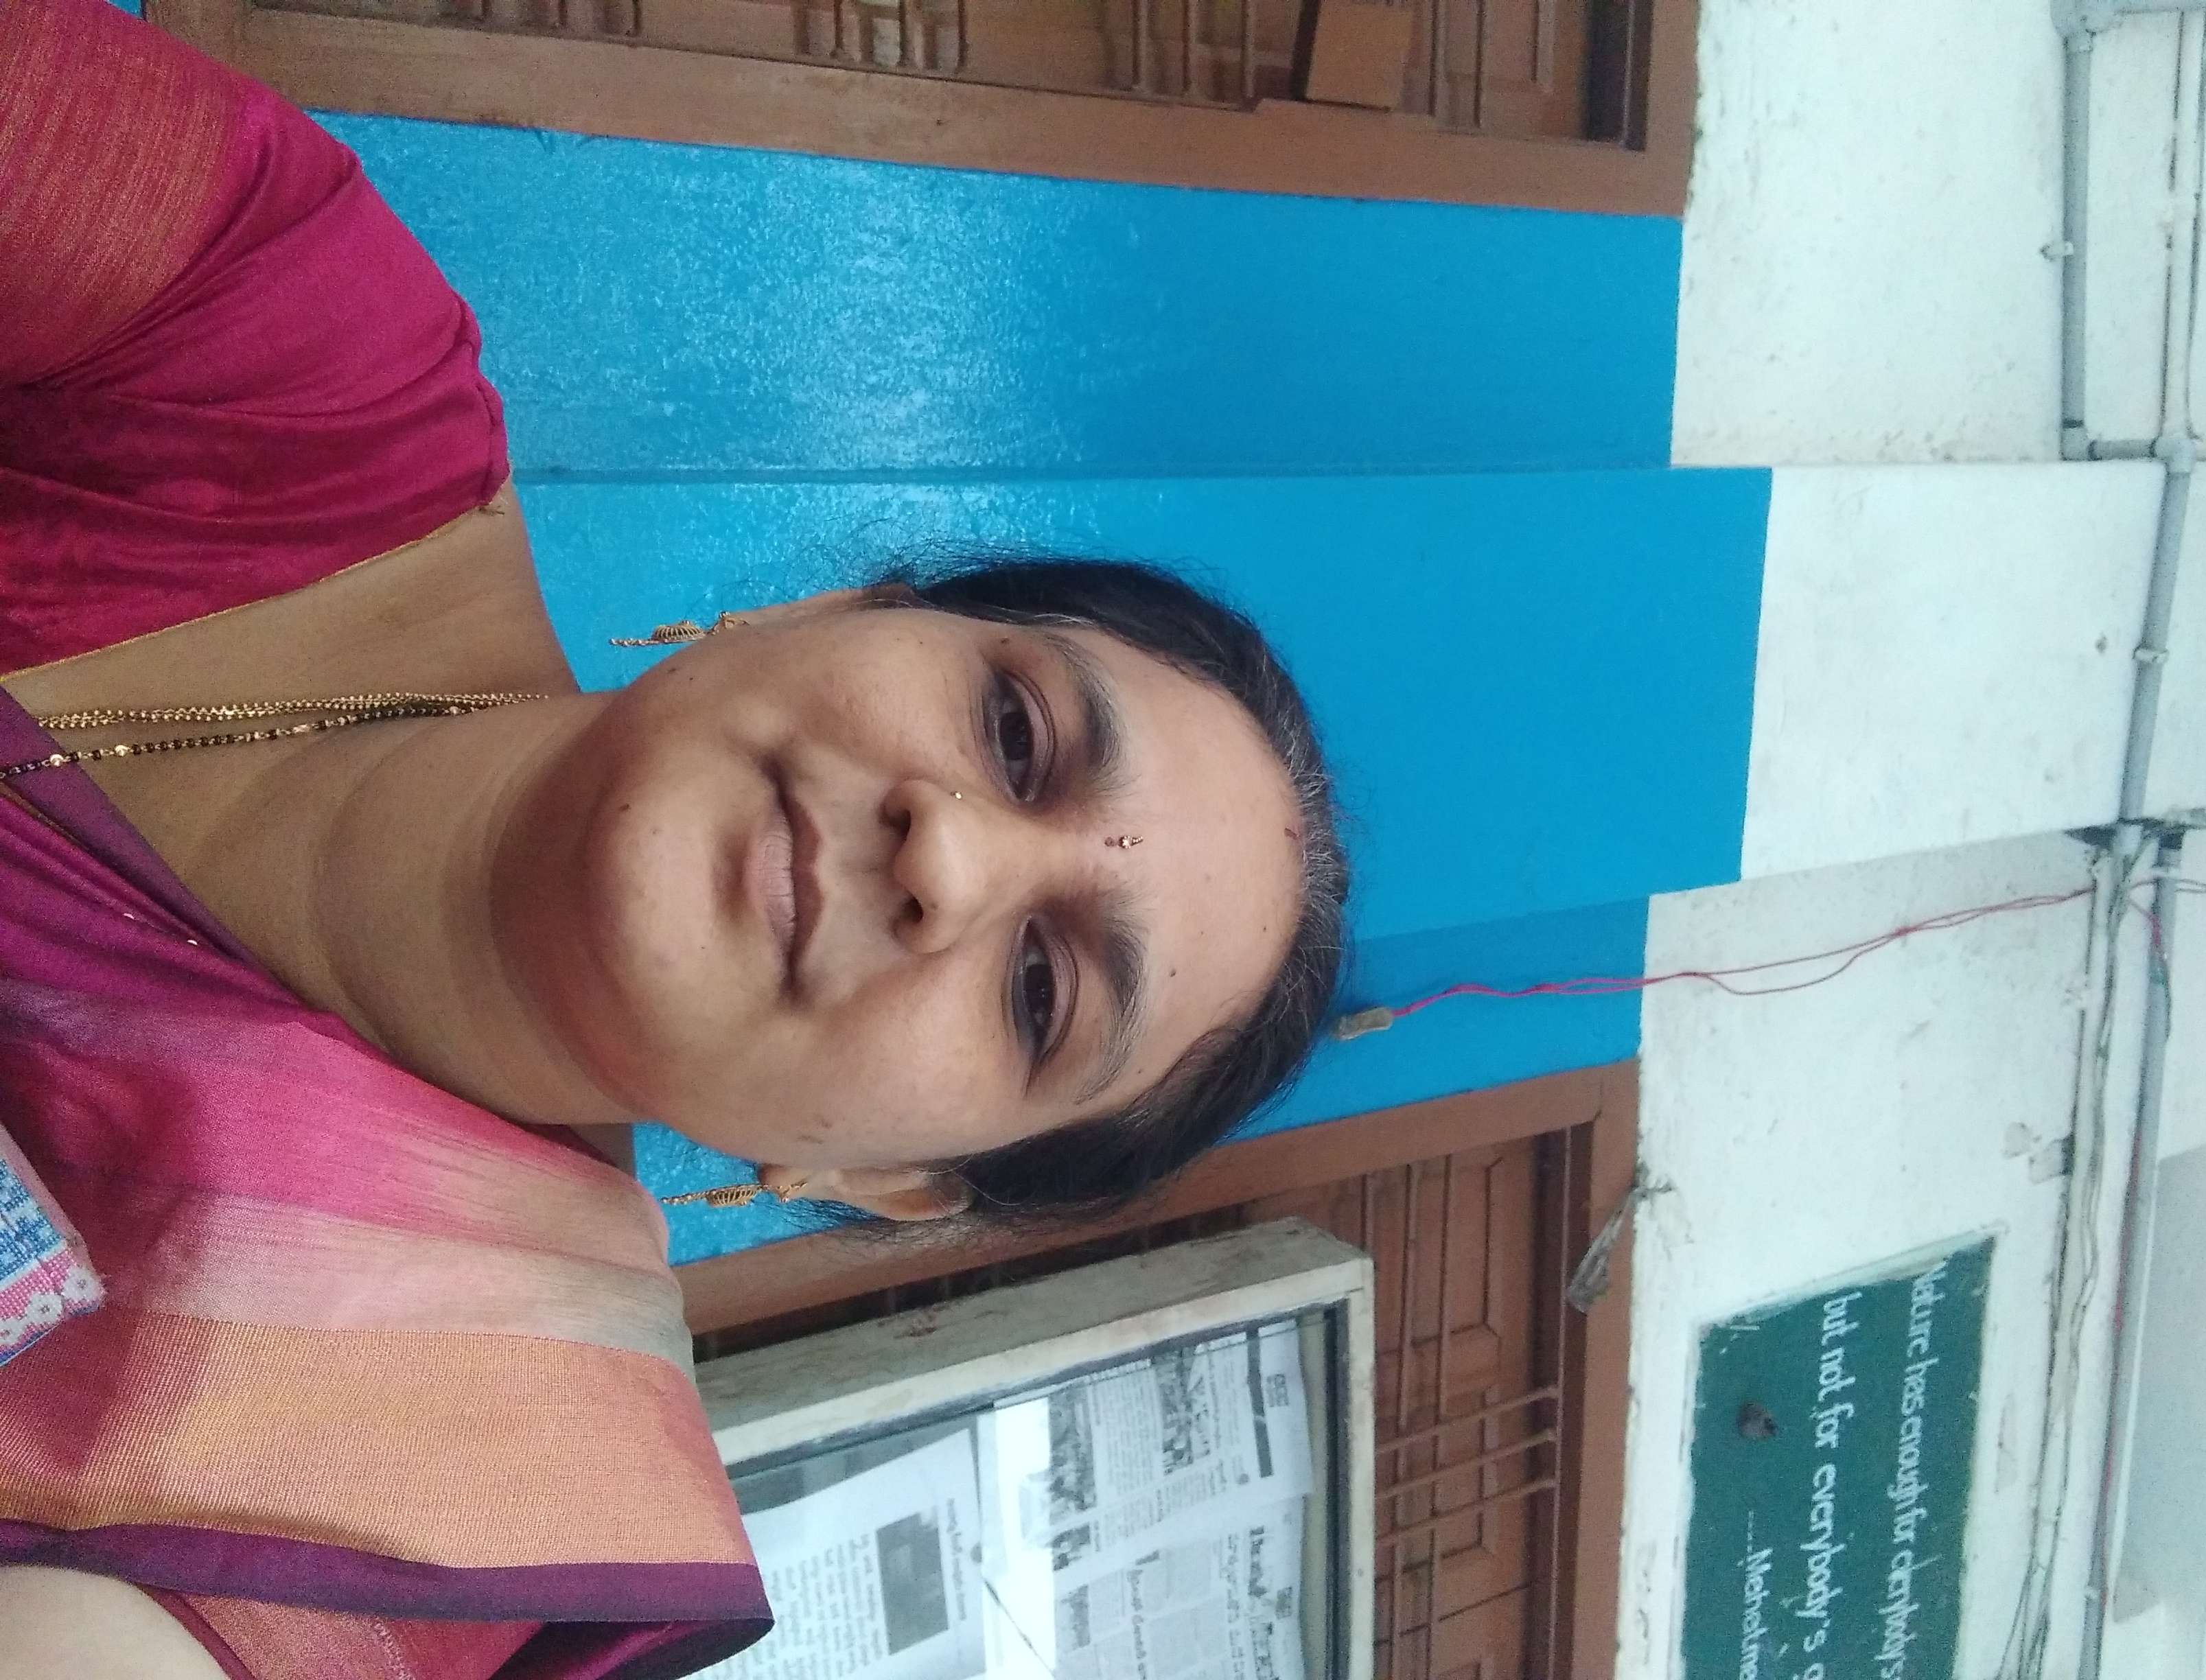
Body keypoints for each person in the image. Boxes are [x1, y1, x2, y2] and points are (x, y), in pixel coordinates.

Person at [0, 1, 1350, 1676]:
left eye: (1038, 995)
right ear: (824, 609)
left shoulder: (420, 1491)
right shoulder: (280, 348)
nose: (950, 862)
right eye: (1016, 735)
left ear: (880, 1183)